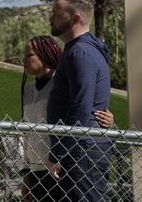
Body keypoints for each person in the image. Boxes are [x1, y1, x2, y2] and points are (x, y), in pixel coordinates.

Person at [20, 35, 114, 202]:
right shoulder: (27, 91)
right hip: (36, 169)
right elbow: (26, 132)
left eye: (30, 55)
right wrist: (26, 173)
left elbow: (82, 109)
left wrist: (110, 123)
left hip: (58, 166)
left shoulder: (61, 84)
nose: (24, 60)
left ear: (45, 53)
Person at [46, 0, 113, 201]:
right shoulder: (80, 49)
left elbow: (82, 105)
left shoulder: (80, 52)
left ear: (75, 18)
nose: (51, 18)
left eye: (56, 13)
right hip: (82, 147)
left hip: (82, 149)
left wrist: (59, 153)